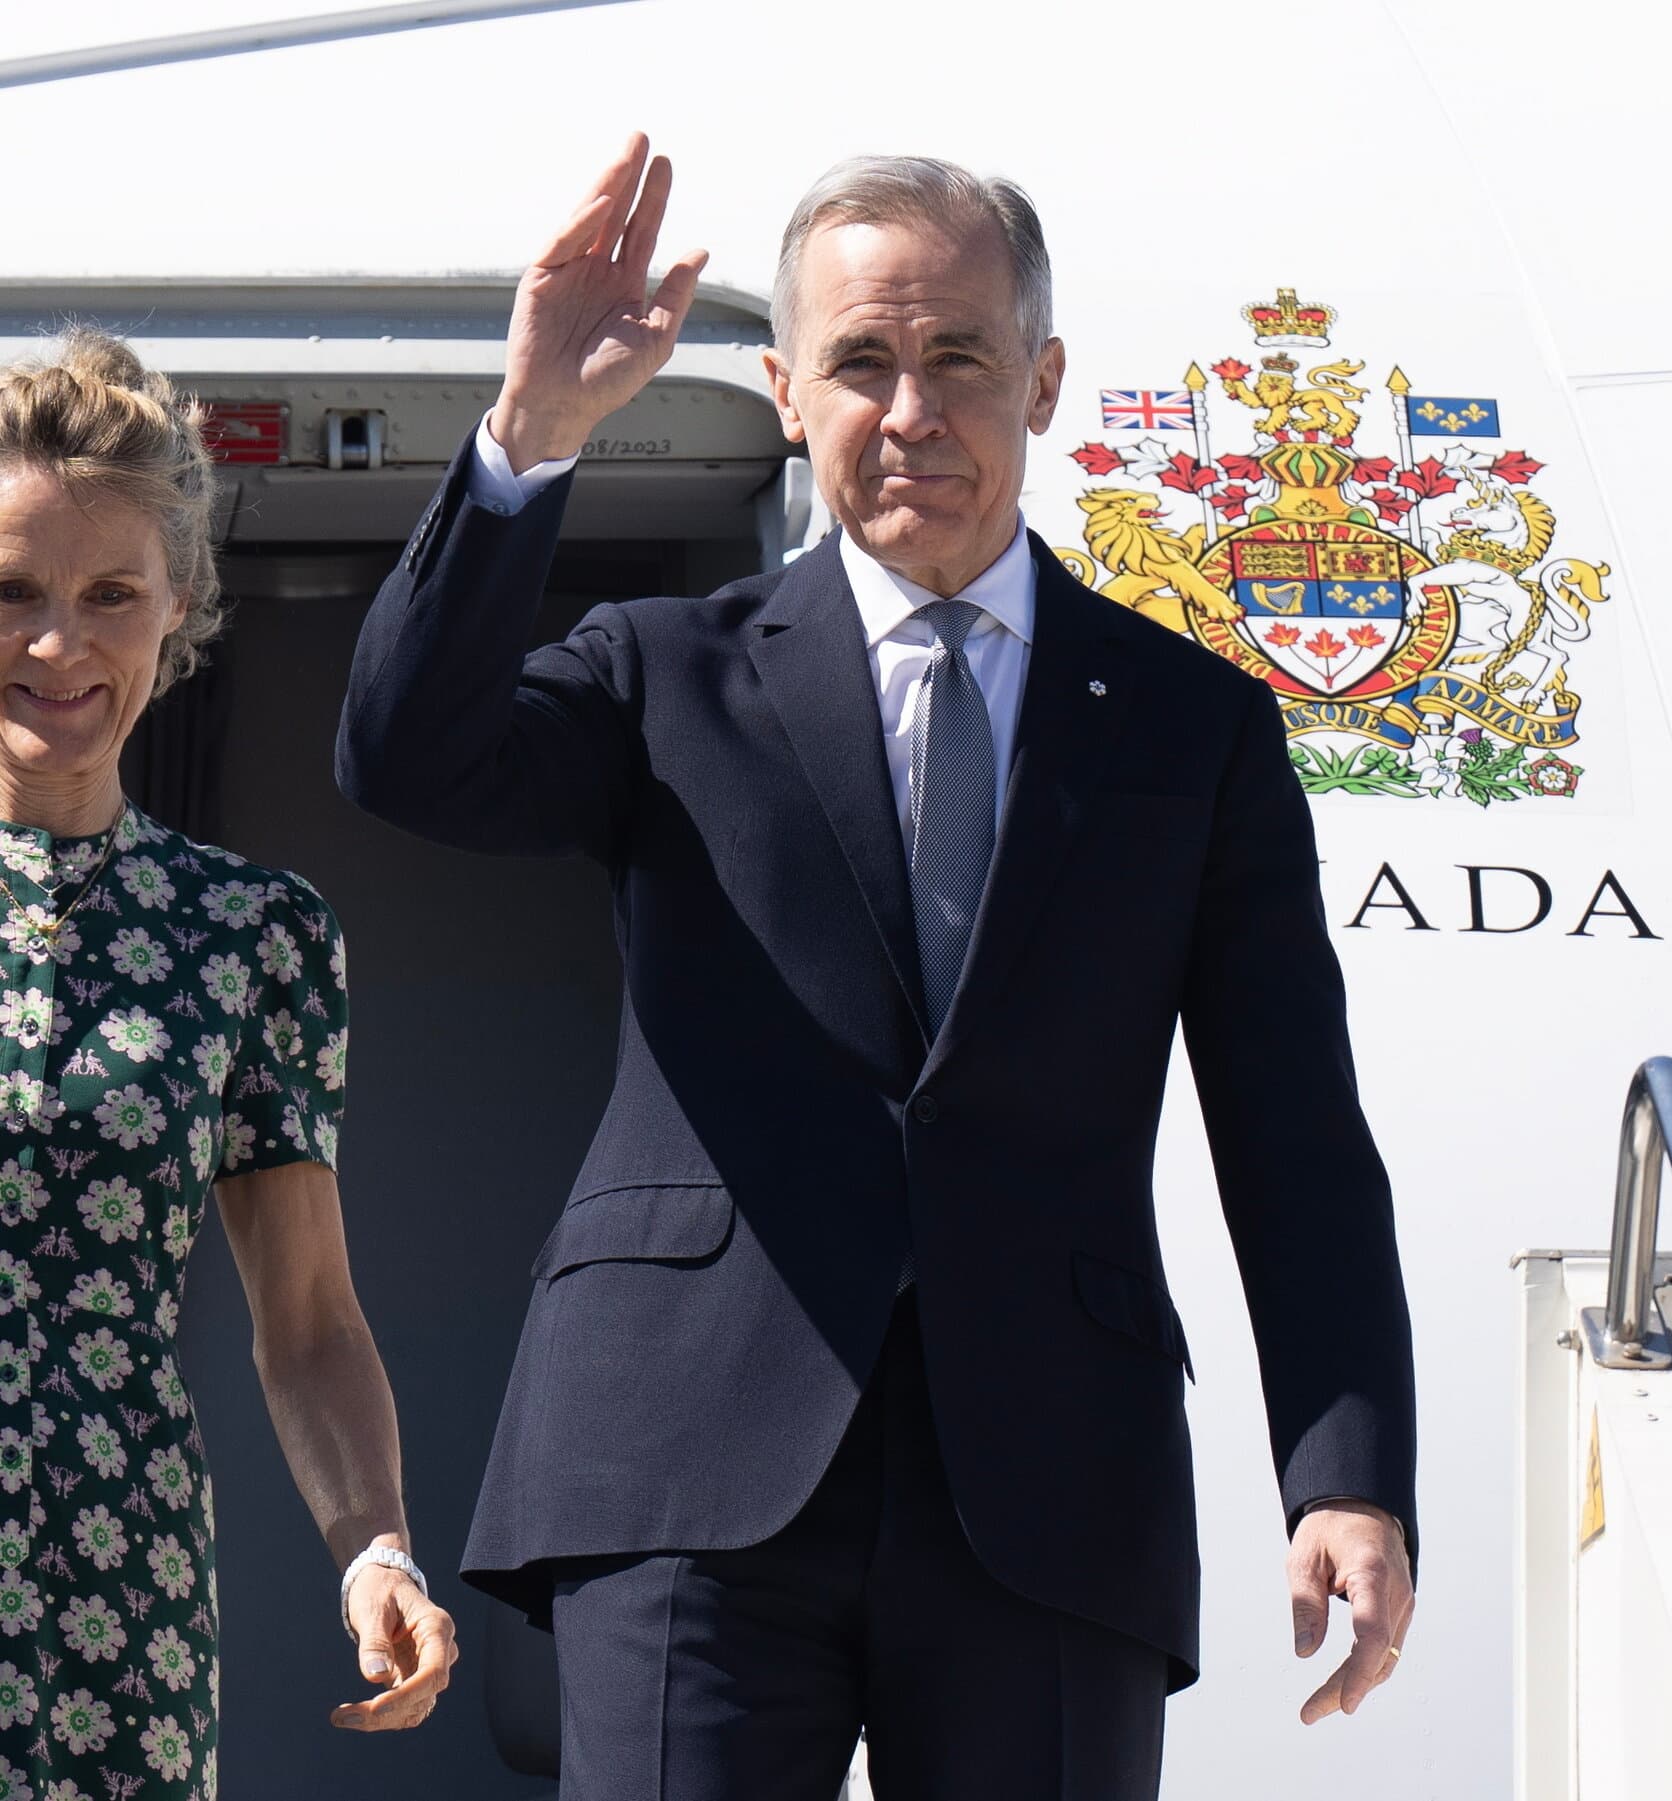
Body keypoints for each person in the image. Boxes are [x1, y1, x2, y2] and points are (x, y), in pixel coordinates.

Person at [337, 136, 1416, 1799]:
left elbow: (1297, 1130)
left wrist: (1343, 1472)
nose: (909, 409)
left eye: (959, 357)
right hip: (687, 1465)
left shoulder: (1193, 725)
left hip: (1051, 1482)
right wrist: (529, 433)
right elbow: (407, 758)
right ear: (784, 390)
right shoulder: (661, 670)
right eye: (858, 361)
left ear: (1043, 379)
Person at [0, 332, 456, 1798]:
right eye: (11, 591)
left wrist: (374, 1546)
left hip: (114, 1618)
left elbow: (309, 1320)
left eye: (107, 594)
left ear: (175, 607)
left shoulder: (251, 934)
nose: (57, 643)